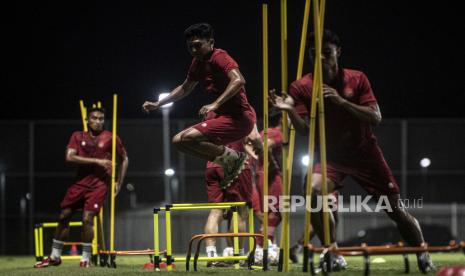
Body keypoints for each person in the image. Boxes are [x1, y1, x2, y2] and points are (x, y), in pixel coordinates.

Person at [270, 29, 434, 272]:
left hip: (365, 154)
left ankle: (422, 251)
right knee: (312, 190)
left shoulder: (356, 79)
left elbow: (375, 117)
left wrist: (341, 101)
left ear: (338, 53)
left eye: (327, 53)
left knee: (395, 210)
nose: (322, 59)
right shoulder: (302, 86)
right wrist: (289, 110)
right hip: (330, 157)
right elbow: (304, 130)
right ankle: (332, 252)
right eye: (315, 54)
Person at [143, 22, 256, 188]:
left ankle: (233, 159)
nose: (194, 51)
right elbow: (184, 88)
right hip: (225, 118)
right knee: (178, 141)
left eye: (198, 46)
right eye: (190, 47)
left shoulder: (219, 56)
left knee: (187, 138)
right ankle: (229, 160)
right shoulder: (197, 63)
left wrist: (215, 104)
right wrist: (158, 103)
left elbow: (239, 80)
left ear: (211, 42)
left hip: (239, 118)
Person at [34, 107, 129, 268]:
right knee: (64, 215)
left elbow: (125, 158)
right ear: (87, 120)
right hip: (79, 183)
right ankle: (54, 256)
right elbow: (69, 157)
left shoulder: (111, 137)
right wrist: (98, 161)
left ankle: (85, 258)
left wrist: (118, 182)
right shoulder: (77, 136)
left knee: (87, 219)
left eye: (101, 119)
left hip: (99, 185)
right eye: (94, 118)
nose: (98, 121)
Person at [249, 107, 283, 248]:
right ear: (282, 119)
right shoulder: (277, 133)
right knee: (276, 212)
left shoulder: (263, 132)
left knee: (266, 213)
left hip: (258, 174)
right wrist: (268, 161)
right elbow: (264, 147)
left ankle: (267, 244)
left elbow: (254, 146)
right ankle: (262, 244)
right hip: (271, 176)